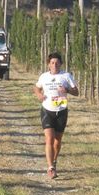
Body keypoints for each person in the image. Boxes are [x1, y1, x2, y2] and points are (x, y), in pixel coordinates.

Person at [33, 52, 79, 180]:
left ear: (61, 64)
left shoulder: (66, 76)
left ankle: (54, 161)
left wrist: (67, 90)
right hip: (47, 110)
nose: (54, 65)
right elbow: (36, 88)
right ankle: (50, 168)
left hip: (61, 111)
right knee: (49, 139)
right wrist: (39, 95)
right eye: (52, 63)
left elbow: (77, 92)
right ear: (48, 64)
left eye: (57, 63)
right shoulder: (44, 76)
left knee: (57, 141)